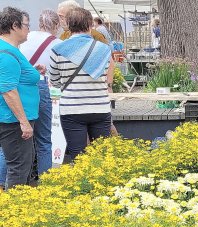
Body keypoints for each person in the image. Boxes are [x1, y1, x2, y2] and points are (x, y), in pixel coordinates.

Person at [48, 7, 113, 160]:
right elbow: (104, 73)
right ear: (90, 24)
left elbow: (55, 82)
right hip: (99, 106)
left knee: (78, 157)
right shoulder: (103, 49)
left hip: (71, 109)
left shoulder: (57, 50)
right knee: (102, 157)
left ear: (68, 25)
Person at [0, 7, 42, 190]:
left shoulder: (10, 50)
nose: (29, 30)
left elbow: (14, 79)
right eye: (26, 25)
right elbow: (8, 90)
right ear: (14, 26)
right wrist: (23, 122)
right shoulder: (6, 53)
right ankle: (14, 213)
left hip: (15, 120)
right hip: (14, 122)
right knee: (18, 168)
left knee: (21, 166)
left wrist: (32, 72)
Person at [17, 9, 62, 178]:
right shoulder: (58, 44)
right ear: (56, 24)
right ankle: (46, 182)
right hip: (42, 87)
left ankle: (3, 185)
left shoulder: (25, 38)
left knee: (14, 140)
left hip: (19, 88)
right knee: (44, 140)